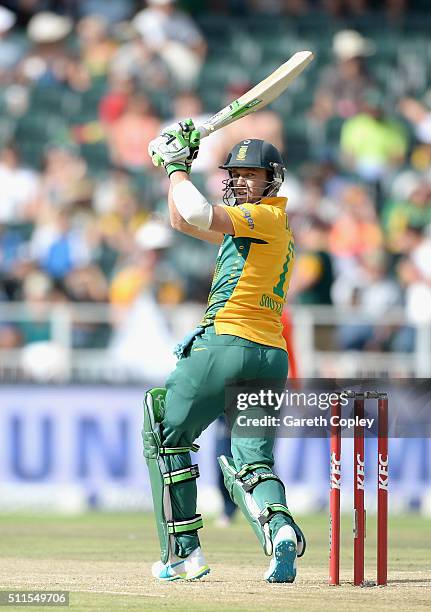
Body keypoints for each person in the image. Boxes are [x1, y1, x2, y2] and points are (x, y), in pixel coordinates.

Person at [143, 122, 306, 583]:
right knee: (250, 461)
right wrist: (175, 172)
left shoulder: (266, 216)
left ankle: (183, 553)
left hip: (226, 345)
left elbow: (193, 212)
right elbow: (181, 218)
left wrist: (176, 165)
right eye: (233, 173)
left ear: (273, 180)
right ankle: (280, 532)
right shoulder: (261, 231)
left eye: (250, 175)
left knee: (161, 428)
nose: (238, 181)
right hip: (270, 357)